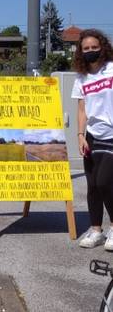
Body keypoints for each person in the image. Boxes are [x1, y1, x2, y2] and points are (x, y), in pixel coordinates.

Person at [71, 29, 113, 249]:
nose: (90, 51)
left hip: (111, 134)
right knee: (93, 186)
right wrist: (80, 135)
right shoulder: (82, 77)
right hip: (92, 136)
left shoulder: (111, 70)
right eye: (86, 48)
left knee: (106, 182)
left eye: (94, 48)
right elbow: (81, 110)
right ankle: (96, 230)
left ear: (102, 47)